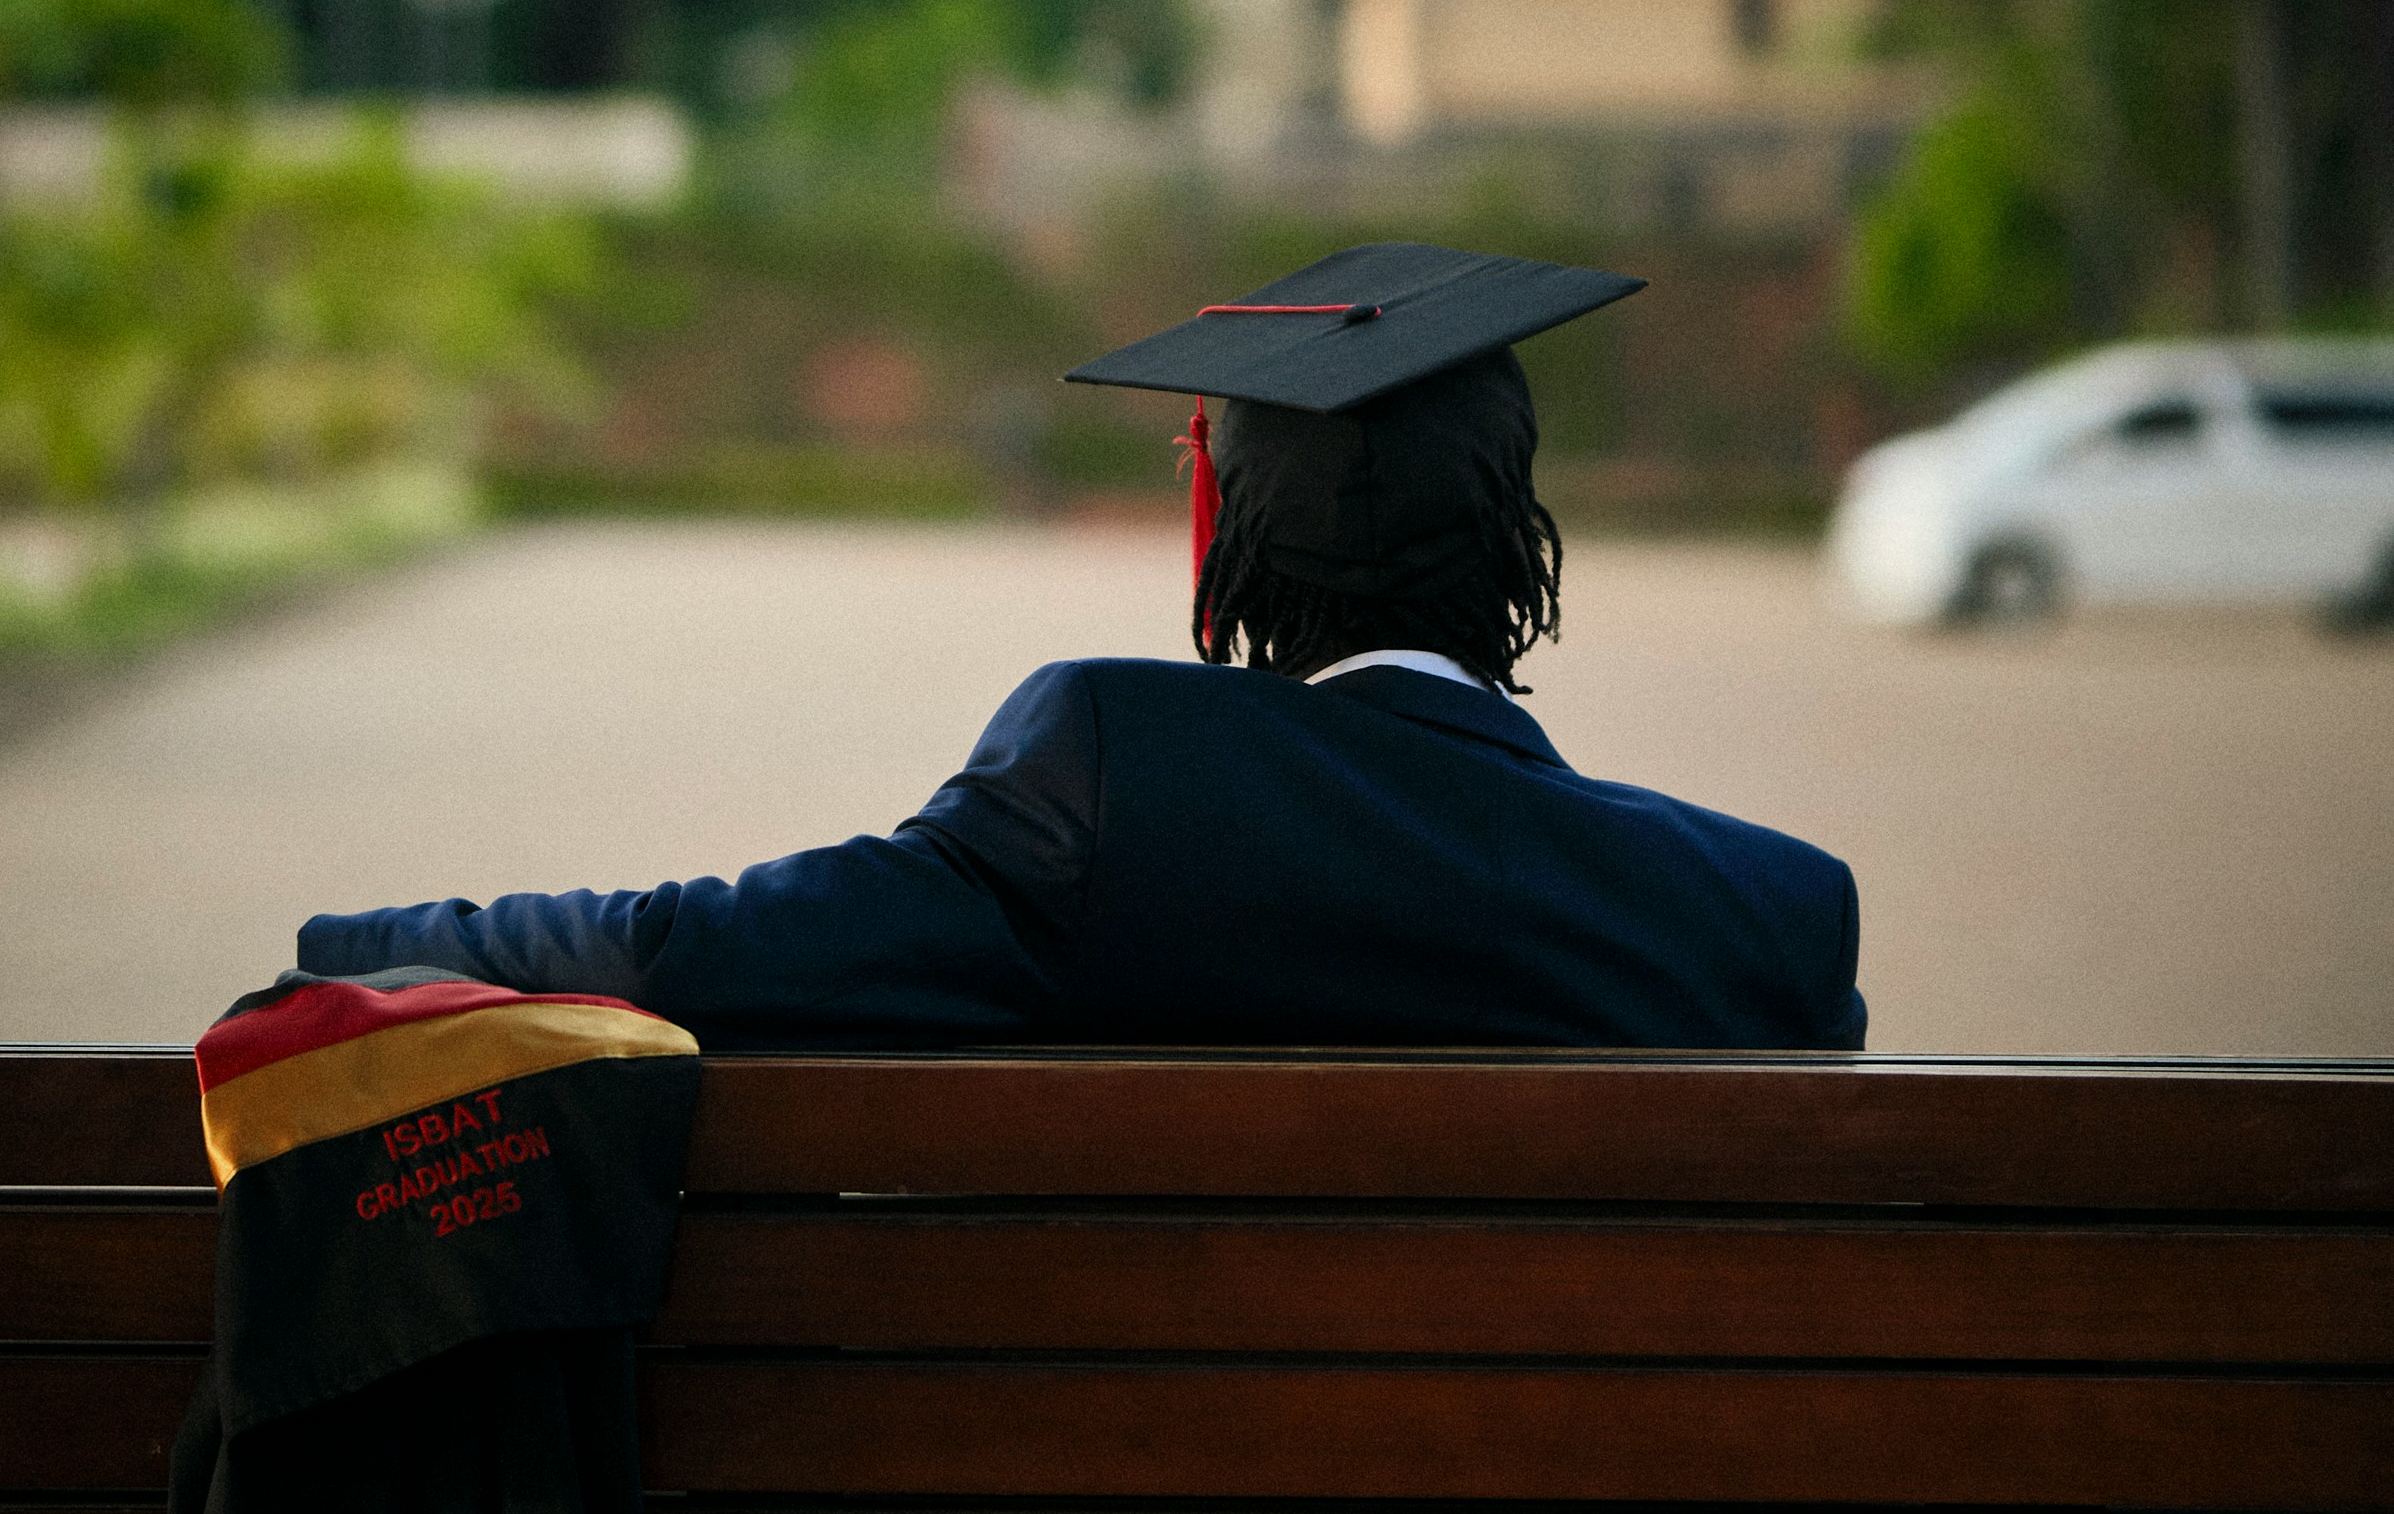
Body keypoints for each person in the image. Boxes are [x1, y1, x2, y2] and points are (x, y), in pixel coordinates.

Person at [298, 242, 1864, 1052]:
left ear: (1228, 536)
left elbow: (684, 955)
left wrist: (354, 949)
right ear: (1521, 540)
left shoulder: (1111, 785)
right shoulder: (1774, 920)